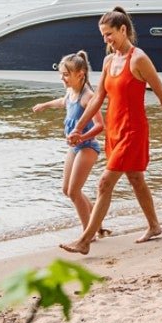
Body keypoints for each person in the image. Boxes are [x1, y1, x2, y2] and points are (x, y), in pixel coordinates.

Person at [59, 7, 162, 254]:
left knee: (104, 183)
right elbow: (97, 99)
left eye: (109, 34)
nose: (106, 39)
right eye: (103, 35)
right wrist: (79, 128)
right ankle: (154, 225)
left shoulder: (139, 59)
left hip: (133, 130)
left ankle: (85, 241)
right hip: (114, 130)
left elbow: (161, 92)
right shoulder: (108, 61)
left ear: (123, 30)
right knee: (136, 179)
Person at [32, 51, 109, 238]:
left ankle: (87, 235)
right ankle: (96, 225)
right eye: (61, 74)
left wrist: (82, 138)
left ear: (80, 74)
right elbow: (63, 102)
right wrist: (45, 104)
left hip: (88, 146)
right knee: (67, 190)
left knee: (75, 192)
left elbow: (100, 126)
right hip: (74, 147)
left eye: (66, 75)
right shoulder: (71, 91)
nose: (62, 78)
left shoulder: (88, 96)